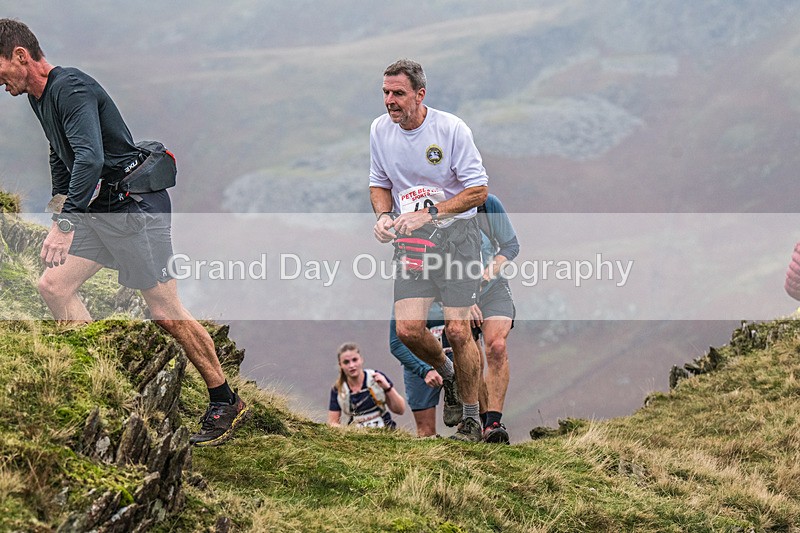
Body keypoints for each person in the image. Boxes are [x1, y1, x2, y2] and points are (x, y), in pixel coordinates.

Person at [0, 19, 248, 446]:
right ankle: (101, 383)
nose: (0, 81)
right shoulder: (40, 98)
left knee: (166, 312)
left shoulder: (70, 88)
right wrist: (62, 201)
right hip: (102, 210)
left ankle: (225, 400)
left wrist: (64, 224)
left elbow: (91, 159)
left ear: (21, 57)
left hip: (135, 210)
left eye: (0, 68)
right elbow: (63, 153)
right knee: (54, 285)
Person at [370, 58, 489, 442]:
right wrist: (385, 216)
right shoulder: (379, 130)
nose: (390, 100)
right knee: (407, 330)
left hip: (457, 238)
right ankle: (450, 374)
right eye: (386, 92)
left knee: (457, 329)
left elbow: (478, 190)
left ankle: (471, 420)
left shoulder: (451, 129)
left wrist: (430, 213)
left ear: (420, 95)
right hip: (412, 243)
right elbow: (379, 182)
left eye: (398, 93)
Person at [391, 195, 519, 443]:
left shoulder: (487, 204)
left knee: (497, 346)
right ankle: (480, 420)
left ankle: (493, 423)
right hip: (456, 291)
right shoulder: (427, 210)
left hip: (491, 288)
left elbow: (511, 246)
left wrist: (485, 276)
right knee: (470, 349)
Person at [327, 343, 405, 429]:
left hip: (386, 430)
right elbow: (332, 423)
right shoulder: (338, 389)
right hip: (357, 436)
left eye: (355, 360)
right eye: (346, 362)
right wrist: (347, 431)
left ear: (361, 359)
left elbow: (400, 410)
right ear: (340, 365)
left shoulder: (376, 377)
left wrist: (387, 388)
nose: (352, 365)